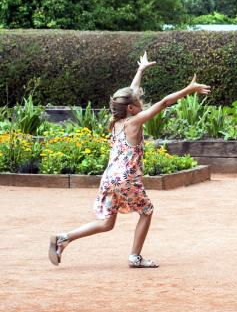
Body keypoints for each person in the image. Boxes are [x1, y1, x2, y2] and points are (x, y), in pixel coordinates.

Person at [48, 52, 211, 268]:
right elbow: (163, 103)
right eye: (139, 101)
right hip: (125, 179)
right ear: (132, 108)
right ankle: (135, 257)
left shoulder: (117, 121)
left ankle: (63, 238)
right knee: (147, 211)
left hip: (109, 178)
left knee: (107, 223)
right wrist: (189, 89)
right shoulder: (134, 122)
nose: (141, 101)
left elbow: (129, 93)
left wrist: (140, 70)